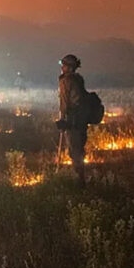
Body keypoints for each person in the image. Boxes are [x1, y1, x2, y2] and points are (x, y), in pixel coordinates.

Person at [57, 54, 88, 185]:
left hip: (73, 120)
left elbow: (64, 102)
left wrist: (62, 119)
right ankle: (81, 177)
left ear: (69, 67)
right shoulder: (78, 79)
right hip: (82, 120)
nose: (62, 68)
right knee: (79, 149)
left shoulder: (66, 81)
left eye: (64, 65)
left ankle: (79, 181)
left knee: (74, 150)